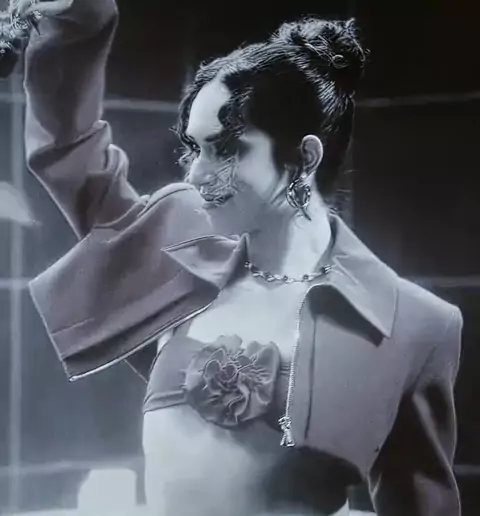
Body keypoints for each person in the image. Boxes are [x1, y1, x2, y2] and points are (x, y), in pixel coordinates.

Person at [18, 0, 463, 514]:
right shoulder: (176, 249)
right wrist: (79, 18)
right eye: (194, 148)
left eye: (225, 149)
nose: (196, 174)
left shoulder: (413, 324)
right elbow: (70, 153)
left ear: (305, 157)